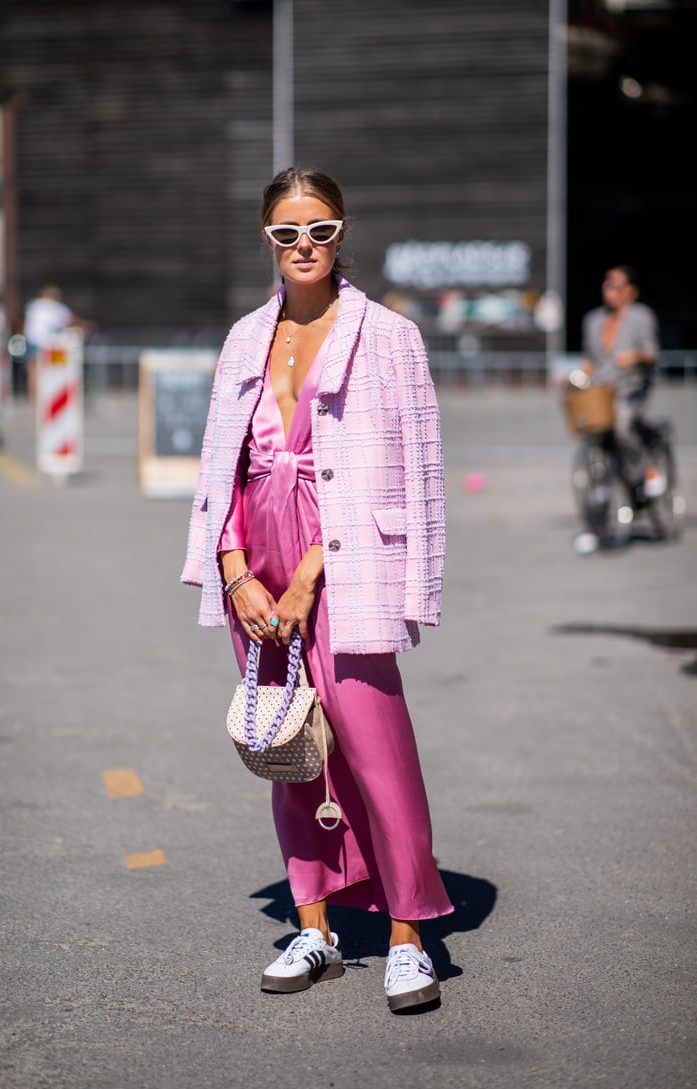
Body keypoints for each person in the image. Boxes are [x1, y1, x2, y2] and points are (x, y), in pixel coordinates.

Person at [182, 168, 453, 1014]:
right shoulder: (244, 338)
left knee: (377, 751)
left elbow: (418, 470)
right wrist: (232, 571)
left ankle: (410, 934)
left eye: (321, 230)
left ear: (343, 235)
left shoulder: (390, 336)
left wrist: (307, 579)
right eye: (287, 233)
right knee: (289, 749)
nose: (304, 246)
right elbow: (219, 467)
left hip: (345, 567)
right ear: (268, 239)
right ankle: (317, 927)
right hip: (253, 570)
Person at [581, 265, 661, 499]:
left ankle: (644, 472)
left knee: (622, 426)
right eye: (607, 285)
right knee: (591, 427)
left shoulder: (641, 316)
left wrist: (635, 355)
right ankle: (602, 484)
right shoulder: (594, 320)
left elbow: (652, 351)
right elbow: (591, 359)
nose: (609, 290)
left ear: (630, 291)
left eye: (616, 286)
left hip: (631, 387)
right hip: (602, 389)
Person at [22, 284, 95, 401]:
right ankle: (43, 397)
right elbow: (70, 319)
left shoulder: (33, 305)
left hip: (31, 342)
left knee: (33, 371)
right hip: (46, 344)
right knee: (45, 372)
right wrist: (85, 325)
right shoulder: (55, 308)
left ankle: (34, 398)